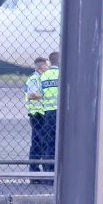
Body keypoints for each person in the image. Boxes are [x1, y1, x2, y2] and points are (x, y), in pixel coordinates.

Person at [25, 57, 49, 182]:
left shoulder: (41, 78)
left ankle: (36, 172)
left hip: (40, 114)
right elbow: (32, 94)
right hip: (37, 115)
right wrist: (46, 94)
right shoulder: (35, 79)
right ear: (42, 67)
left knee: (38, 143)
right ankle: (37, 172)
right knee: (41, 143)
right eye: (47, 66)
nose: (48, 68)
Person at [37, 51, 60, 181]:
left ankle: (48, 173)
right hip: (61, 112)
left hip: (48, 113)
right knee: (64, 143)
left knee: (49, 143)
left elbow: (39, 94)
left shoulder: (44, 76)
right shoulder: (63, 74)